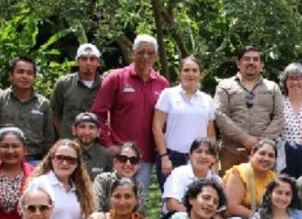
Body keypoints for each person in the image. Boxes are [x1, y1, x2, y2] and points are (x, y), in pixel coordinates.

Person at [91, 34, 170, 192]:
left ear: (155, 56)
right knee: (116, 198)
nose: (145, 57)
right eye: (140, 52)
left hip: (146, 157)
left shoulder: (162, 84)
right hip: (120, 155)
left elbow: (166, 122)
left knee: (138, 201)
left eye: (150, 53)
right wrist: (108, 144)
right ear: (133, 53)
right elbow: (97, 114)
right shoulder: (116, 78)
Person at [214, 45, 284, 171]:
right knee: (230, 189)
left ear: (261, 65)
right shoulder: (224, 86)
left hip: (264, 154)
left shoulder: (273, 88)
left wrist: (261, 143)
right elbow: (220, 115)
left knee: (264, 189)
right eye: (247, 59)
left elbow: (280, 117)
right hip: (232, 152)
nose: (251, 62)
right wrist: (245, 140)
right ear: (238, 63)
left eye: (255, 59)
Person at [153, 56, 216, 190]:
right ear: (179, 73)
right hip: (172, 157)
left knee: (198, 200)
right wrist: (164, 157)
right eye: (186, 70)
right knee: (172, 200)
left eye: (194, 70)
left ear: (201, 75)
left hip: (199, 158)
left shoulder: (208, 100)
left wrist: (212, 160)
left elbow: (211, 135)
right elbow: (156, 127)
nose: (190, 74)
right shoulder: (168, 95)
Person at [223, 140, 278, 219]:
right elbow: (232, 206)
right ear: (252, 155)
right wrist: (258, 218)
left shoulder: (274, 178)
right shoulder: (239, 172)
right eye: (262, 154)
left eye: (271, 156)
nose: (266, 158)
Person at [0, 56, 55, 164]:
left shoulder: (43, 104)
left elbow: (49, 137)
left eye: (29, 73)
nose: (25, 76)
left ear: (34, 77)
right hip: (4, 158)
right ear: (11, 75)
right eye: (20, 72)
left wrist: (45, 162)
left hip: (34, 159)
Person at [51, 43, 103, 139]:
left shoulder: (106, 85)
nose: (88, 63)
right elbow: (55, 113)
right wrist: (65, 134)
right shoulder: (64, 84)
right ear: (77, 62)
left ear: (98, 62)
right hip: (69, 143)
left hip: (97, 144)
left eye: (92, 59)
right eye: (84, 59)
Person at [161, 137, 221, 218]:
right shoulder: (178, 173)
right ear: (190, 155)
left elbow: (221, 210)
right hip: (180, 218)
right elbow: (172, 205)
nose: (203, 156)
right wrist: (200, 214)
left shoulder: (216, 180)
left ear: (214, 158)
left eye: (208, 153)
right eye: (198, 151)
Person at [92, 142, 147, 213]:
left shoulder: (138, 186)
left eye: (133, 160)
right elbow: (95, 209)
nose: (128, 164)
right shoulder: (103, 180)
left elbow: (141, 213)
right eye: (123, 159)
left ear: (139, 165)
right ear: (115, 162)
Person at [72, 112, 113, 181]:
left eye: (91, 127)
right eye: (82, 127)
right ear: (74, 130)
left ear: (98, 132)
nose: (87, 132)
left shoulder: (105, 155)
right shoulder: (65, 152)